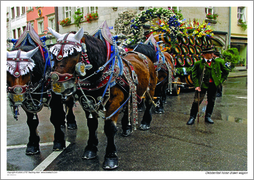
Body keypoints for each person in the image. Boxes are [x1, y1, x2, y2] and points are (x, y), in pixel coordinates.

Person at [186, 47, 229, 125]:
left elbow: (226, 71)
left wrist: (220, 81)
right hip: (201, 85)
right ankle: (192, 117)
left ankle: (208, 116)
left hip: (213, 85)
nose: (213, 54)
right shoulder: (198, 63)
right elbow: (194, 75)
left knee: (211, 101)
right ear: (204, 55)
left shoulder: (218, 62)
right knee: (197, 101)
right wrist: (196, 85)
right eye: (210, 53)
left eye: (213, 53)